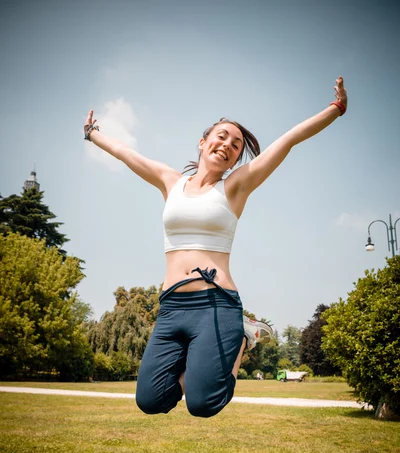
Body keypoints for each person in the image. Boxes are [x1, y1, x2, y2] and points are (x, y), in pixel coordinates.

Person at [84, 76, 347, 418]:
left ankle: (242, 335)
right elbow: (126, 154)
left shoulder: (235, 187)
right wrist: (93, 134)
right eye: (221, 136)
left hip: (216, 302)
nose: (228, 144)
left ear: (237, 157)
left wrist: (335, 109)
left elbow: (288, 140)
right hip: (172, 306)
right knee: (150, 400)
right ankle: (226, 346)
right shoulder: (170, 182)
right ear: (203, 141)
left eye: (236, 145)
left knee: (203, 403)